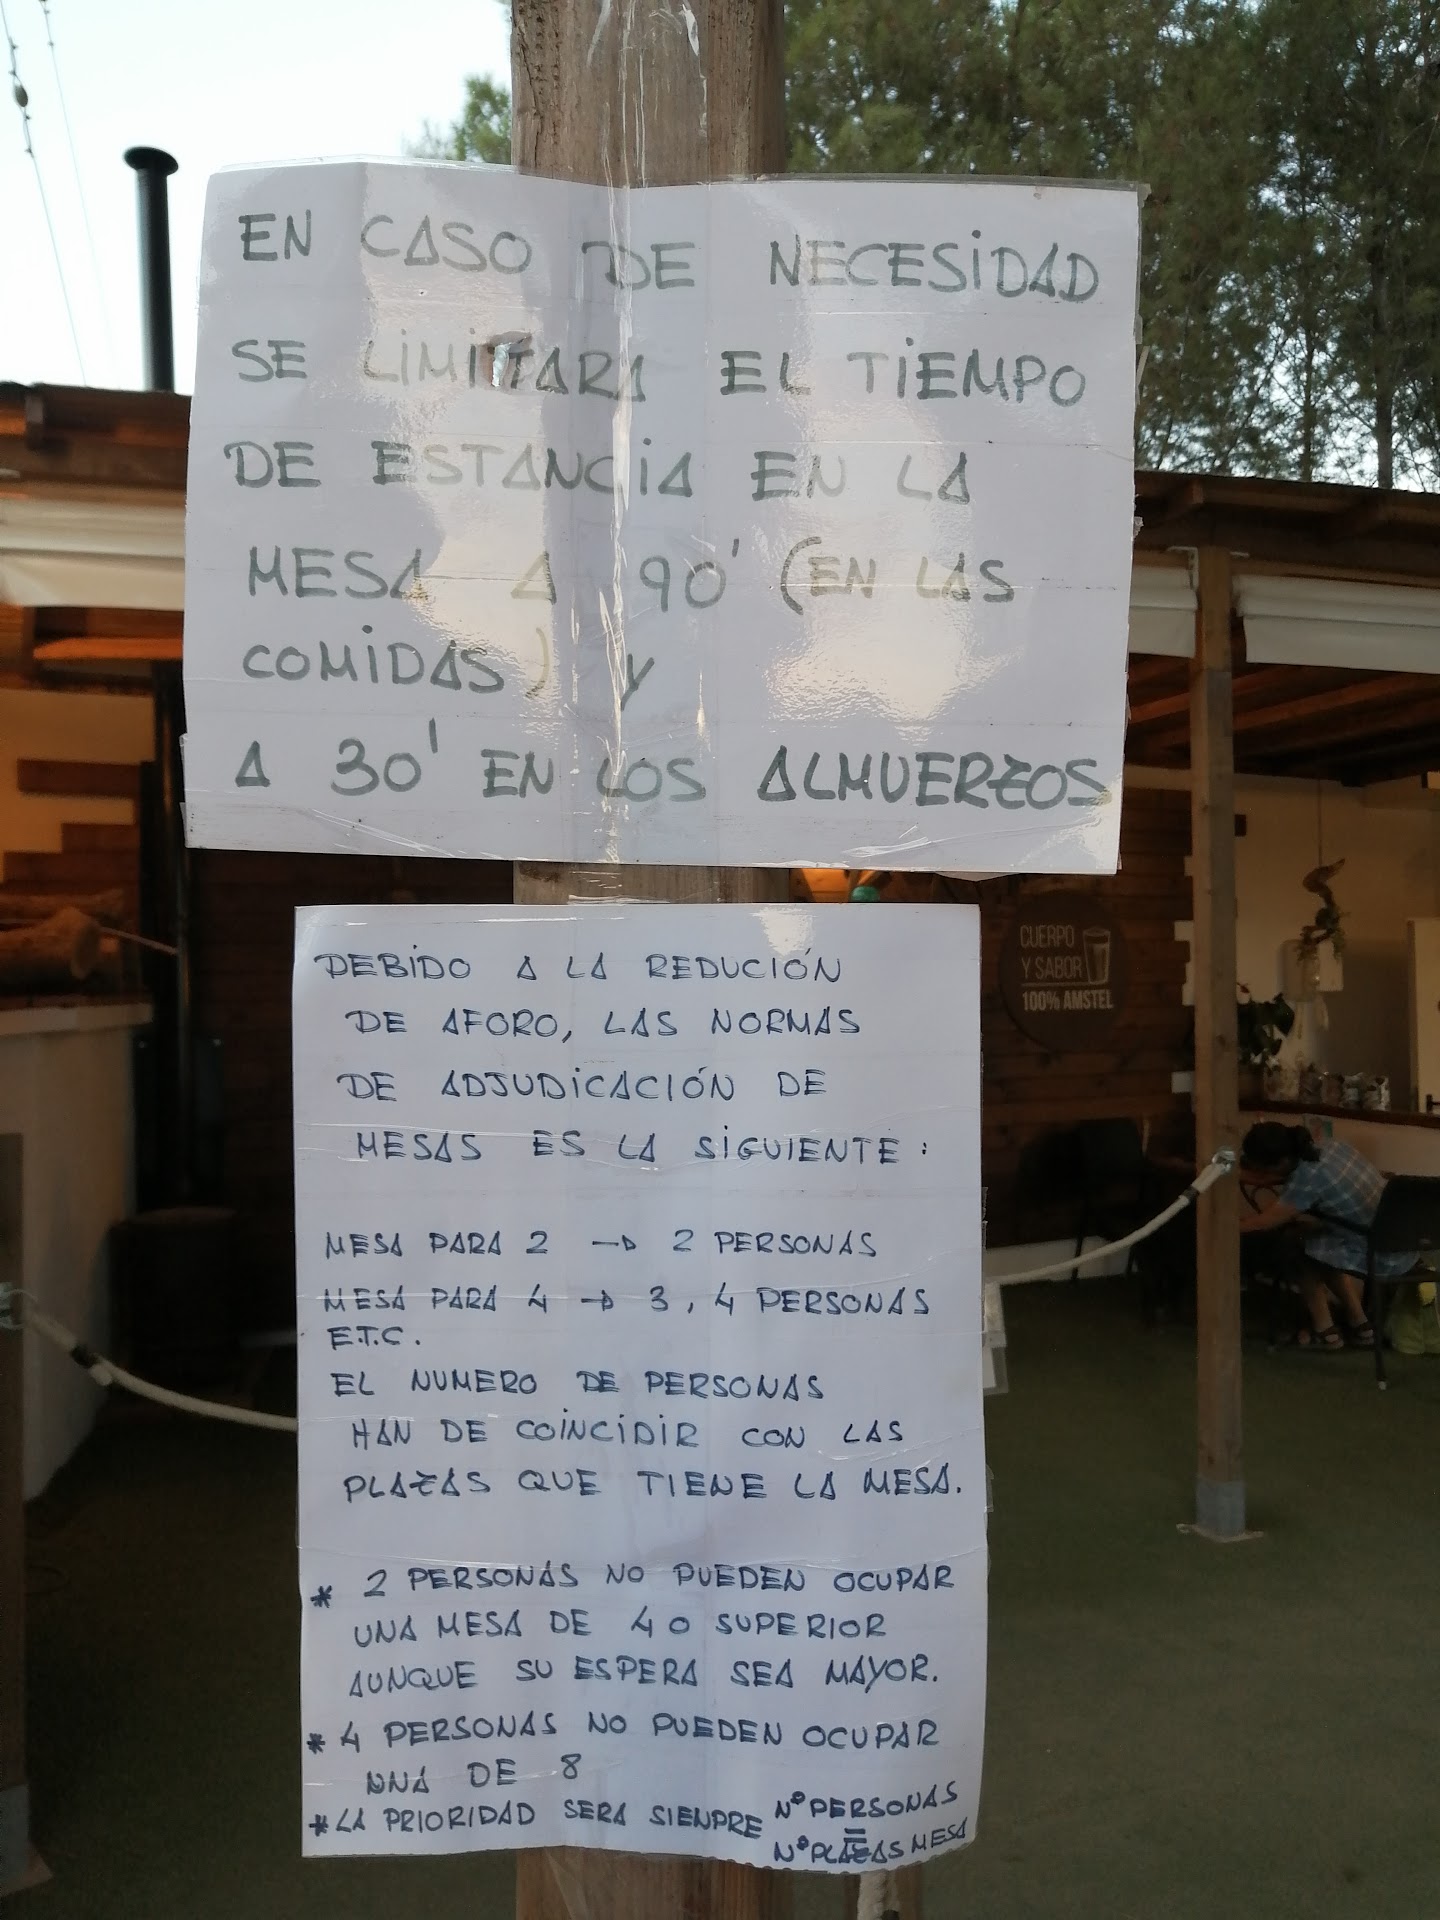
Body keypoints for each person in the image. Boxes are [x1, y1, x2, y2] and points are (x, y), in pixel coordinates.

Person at [1238, 1121, 1417, 1350]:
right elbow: (1289, 1177)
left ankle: (1325, 1330)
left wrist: (1225, 1226)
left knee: (1294, 1243)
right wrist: (1251, 1175)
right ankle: (1361, 1324)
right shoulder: (1332, 1146)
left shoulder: (1306, 1179)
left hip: (1379, 1256)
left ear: (1281, 1162)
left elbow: (1264, 1222)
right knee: (1318, 1242)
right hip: (1403, 1245)